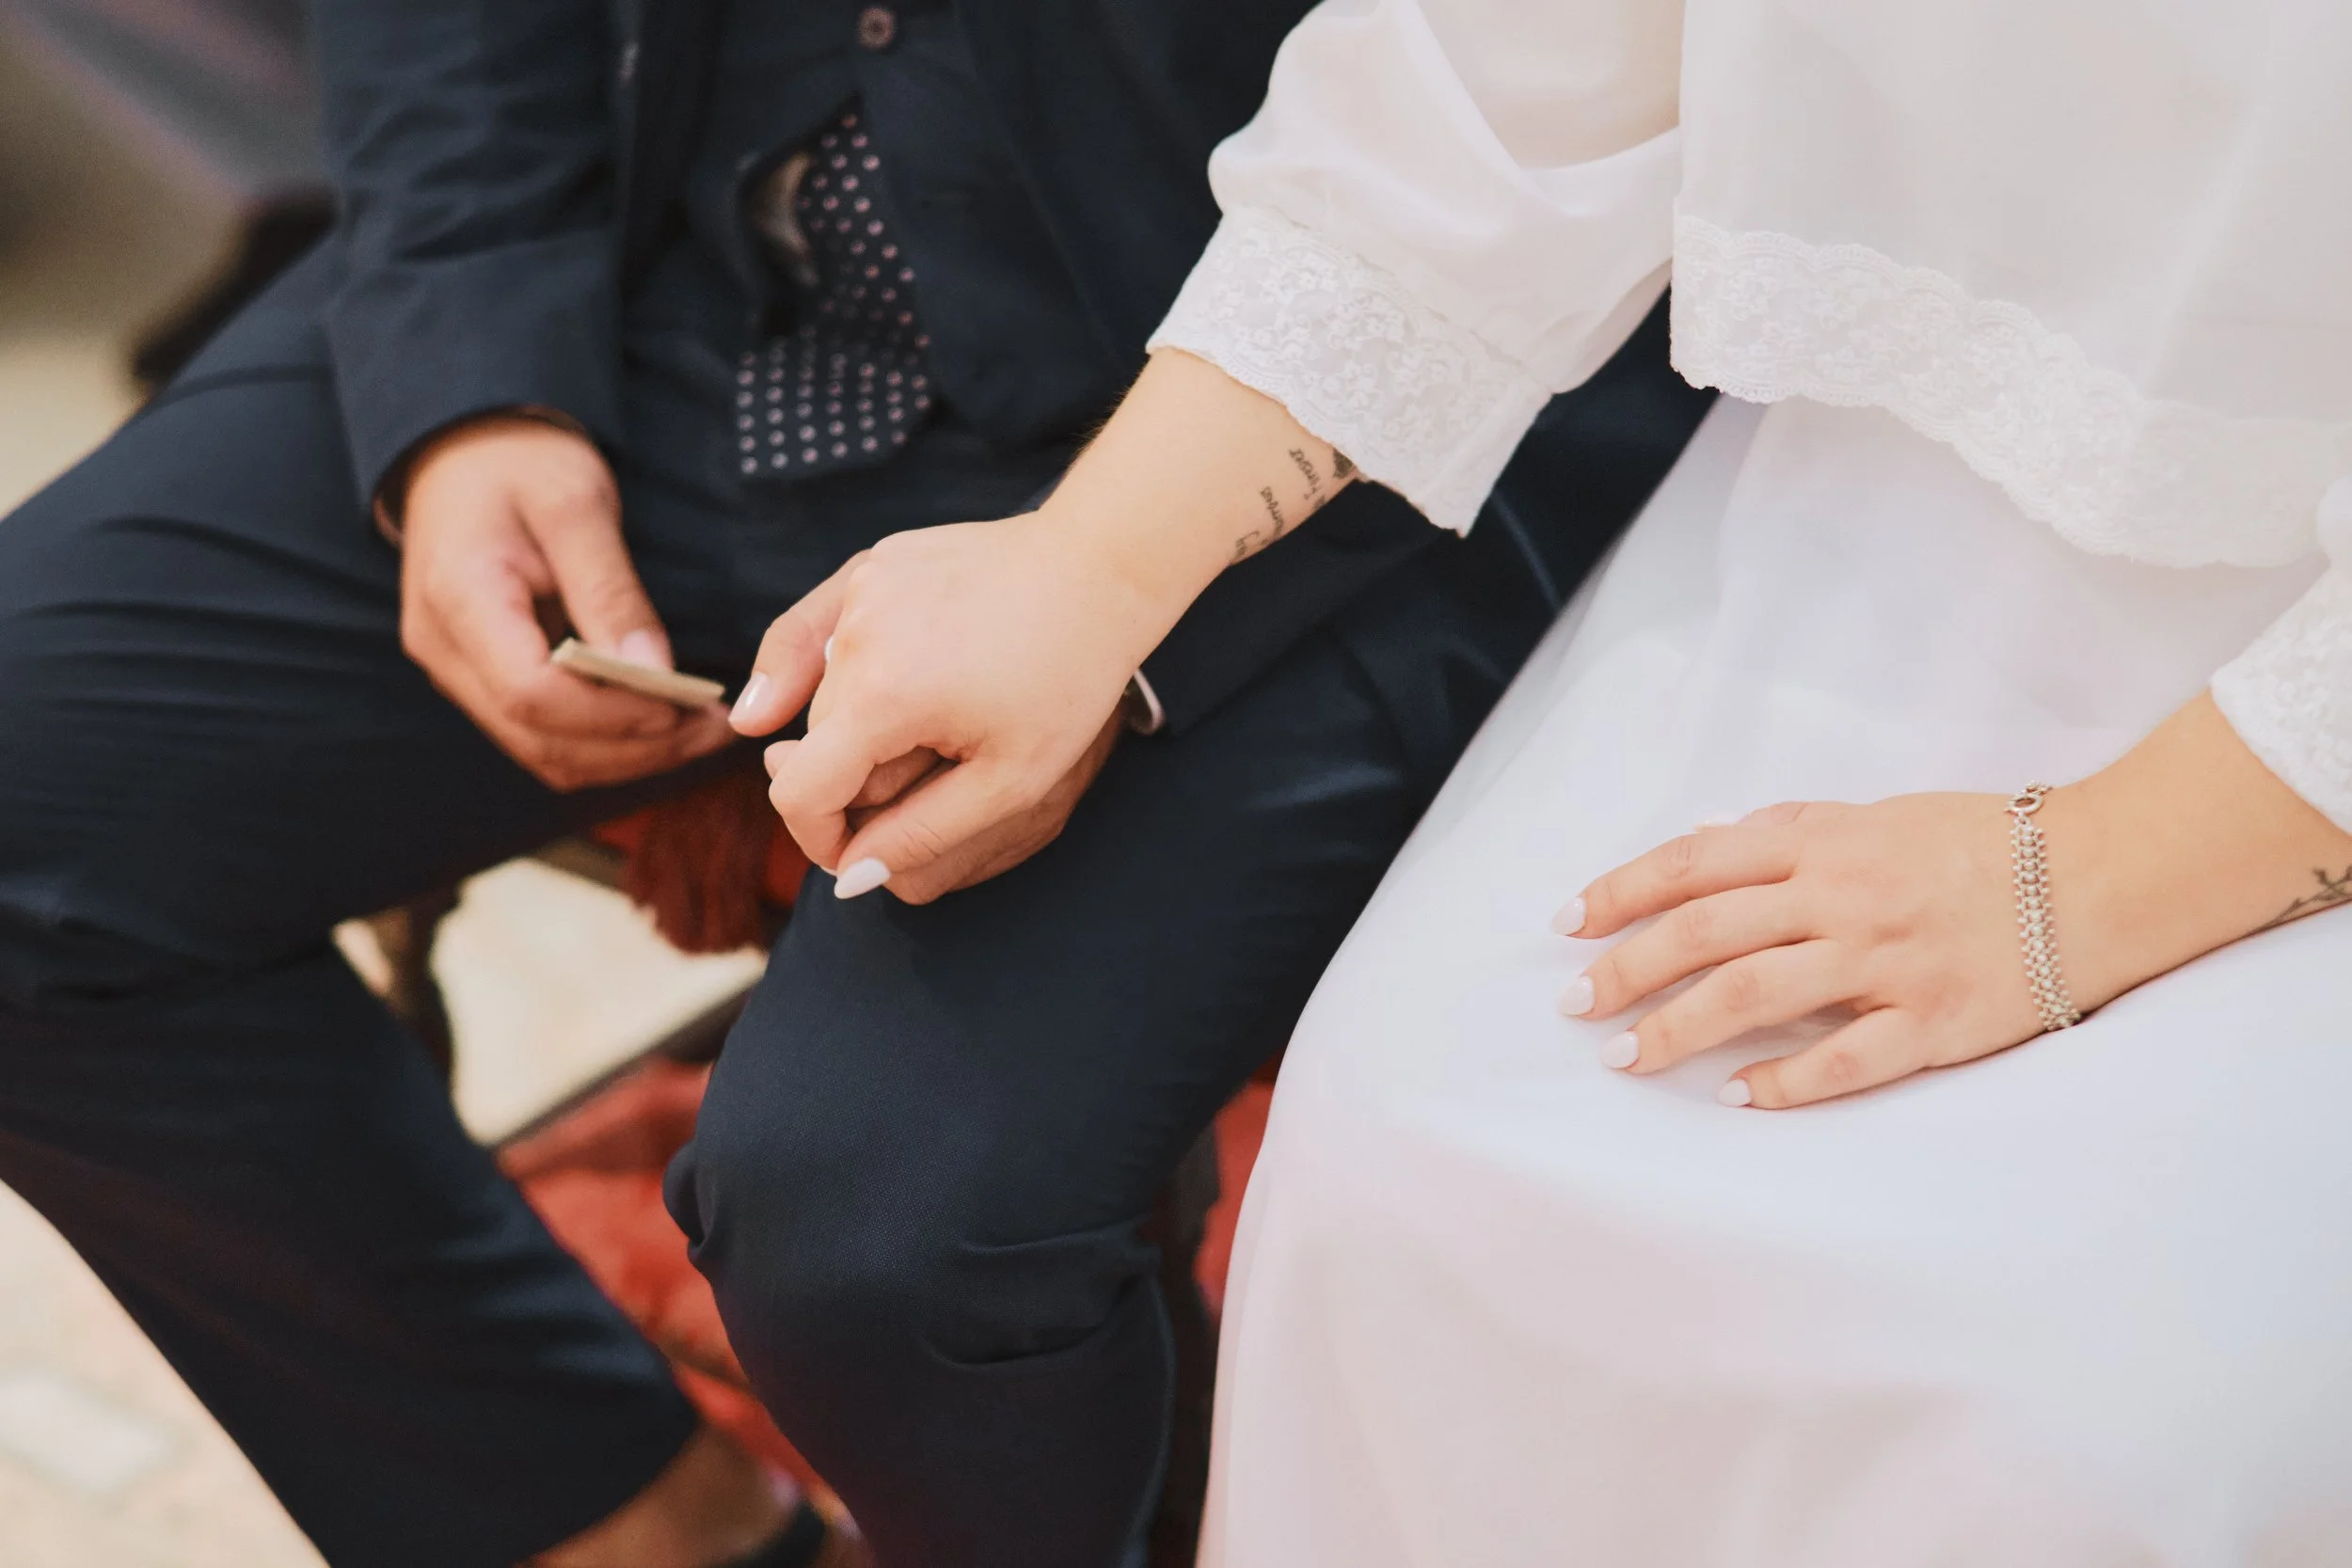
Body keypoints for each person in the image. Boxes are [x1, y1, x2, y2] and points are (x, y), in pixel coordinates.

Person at [0, 1, 1710, 1565]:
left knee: (882, 1228)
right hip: (679, 259)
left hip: (1327, 409)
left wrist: (1112, 580)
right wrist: (468, 359)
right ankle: (650, 1525)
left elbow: (1541, 131)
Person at [723, 0, 2352, 1560]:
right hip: (1856, 512)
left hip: (2289, 736)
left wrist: (2084, 872)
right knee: (1404, 1173)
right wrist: (1092, 565)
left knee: (2069, 1432)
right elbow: (1497, 89)